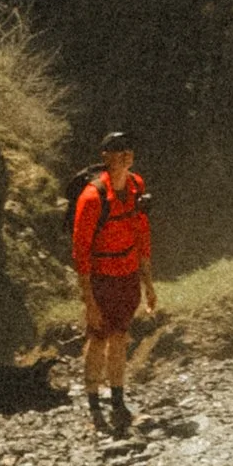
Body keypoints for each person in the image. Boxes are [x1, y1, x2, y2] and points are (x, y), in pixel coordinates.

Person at [70, 133, 155, 438]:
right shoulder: (92, 199)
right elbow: (80, 253)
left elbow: (142, 234)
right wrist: (89, 300)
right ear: (106, 156)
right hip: (102, 277)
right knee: (98, 336)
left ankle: (117, 399)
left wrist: (148, 282)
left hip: (128, 274)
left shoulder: (136, 187)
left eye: (128, 150)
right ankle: (94, 403)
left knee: (120, 335)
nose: (125, 155)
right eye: (118, 151)